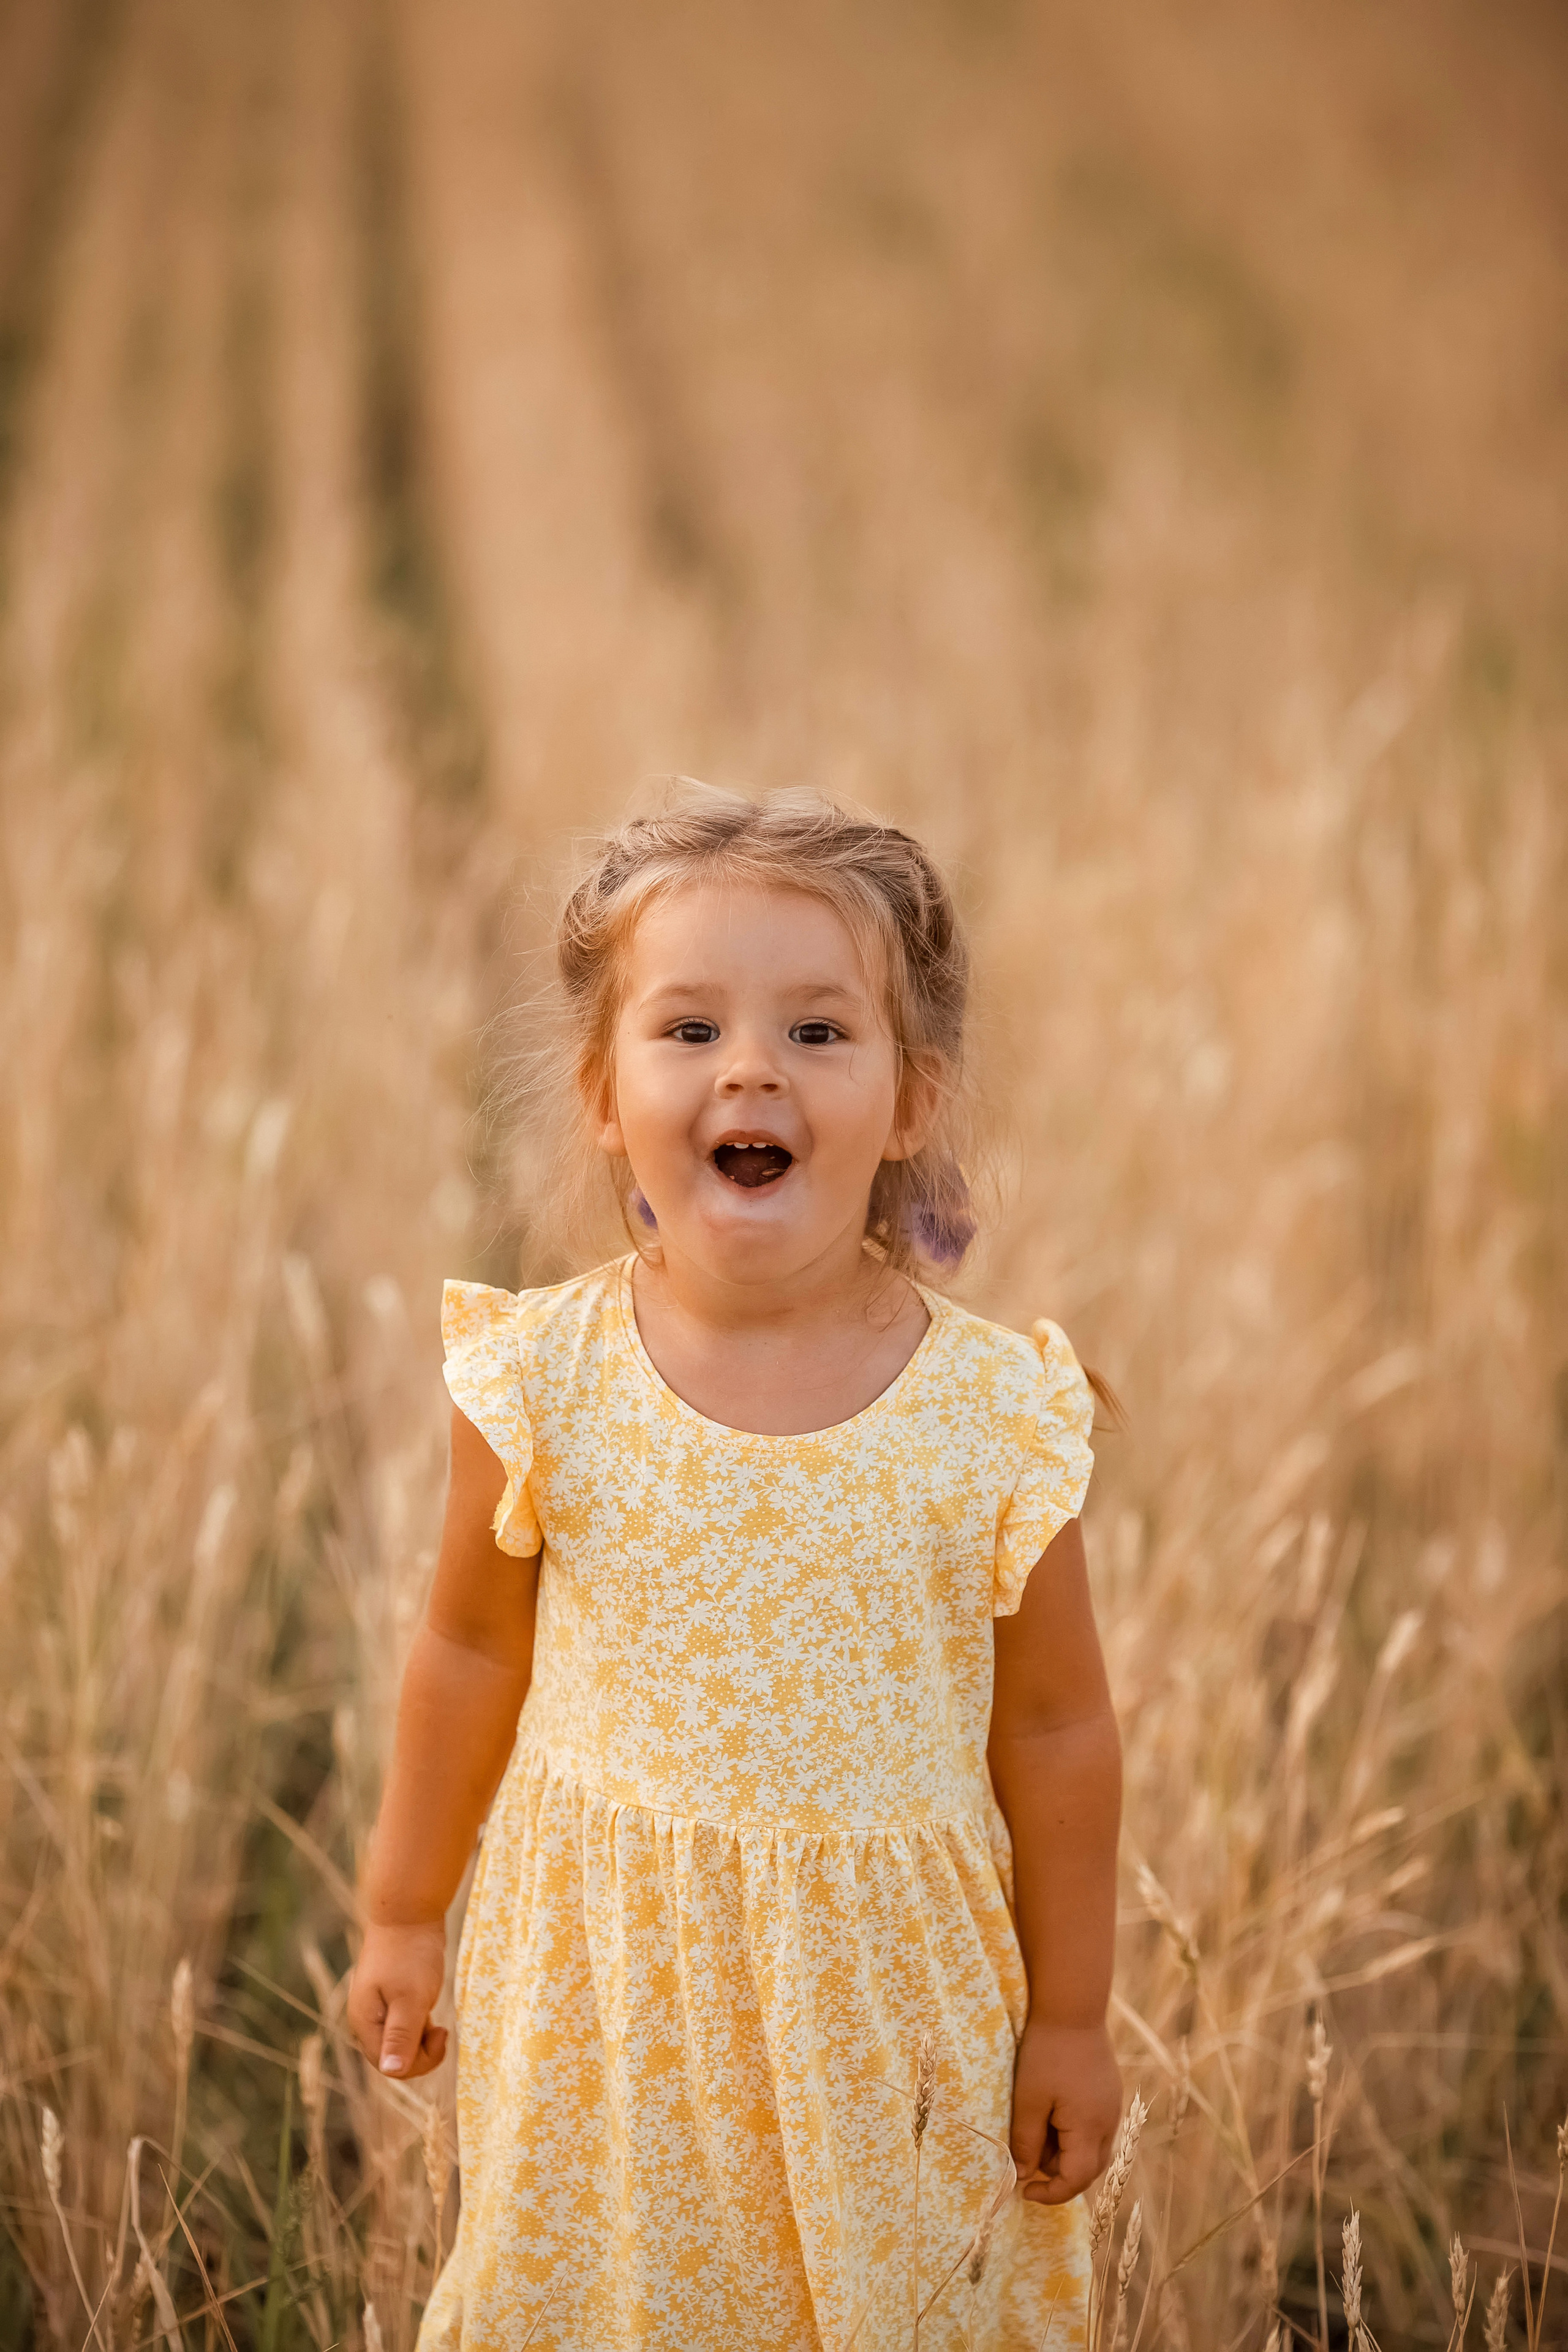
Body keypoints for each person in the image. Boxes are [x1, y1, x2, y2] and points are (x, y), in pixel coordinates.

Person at [348, 788, 1124, 2351]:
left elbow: (1053, 1730)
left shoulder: (988, 1417)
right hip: (609, 2006)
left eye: (819, 1034)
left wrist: (1069, 2016)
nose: (750, 1067)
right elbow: (467, 1653)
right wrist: (402, 1909)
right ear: (600, 1092)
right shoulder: (542, 1382)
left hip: (889, 2019)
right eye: (688, 1029)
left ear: (912, 1099)